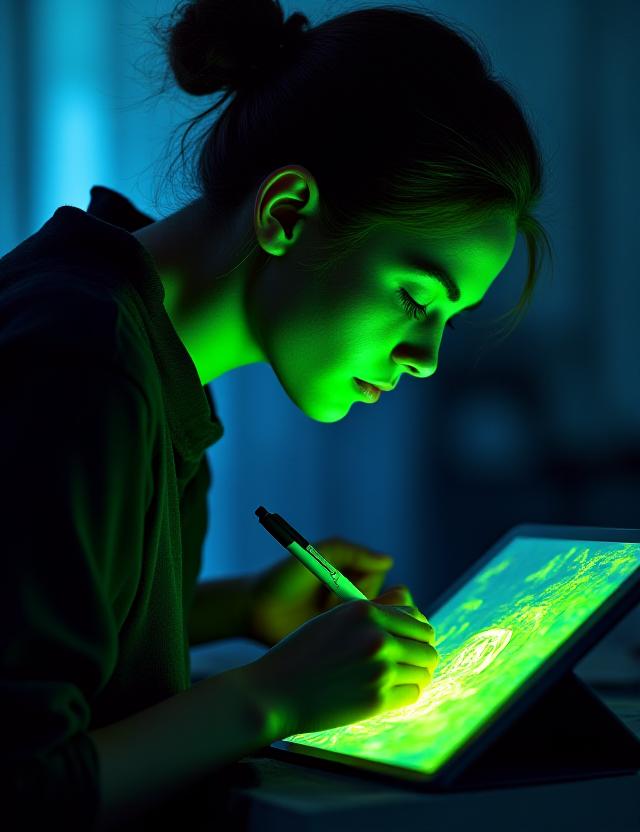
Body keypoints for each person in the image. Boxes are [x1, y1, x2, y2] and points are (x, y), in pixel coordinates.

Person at [0, 1, 551, 829]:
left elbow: (45, 621)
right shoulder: (81, 361)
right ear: (286, 211)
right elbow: (23, 790)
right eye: (415, 298)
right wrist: (271, 697)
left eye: (449, 319)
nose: (425, 356)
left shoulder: (135, 339)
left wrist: (245, 607)